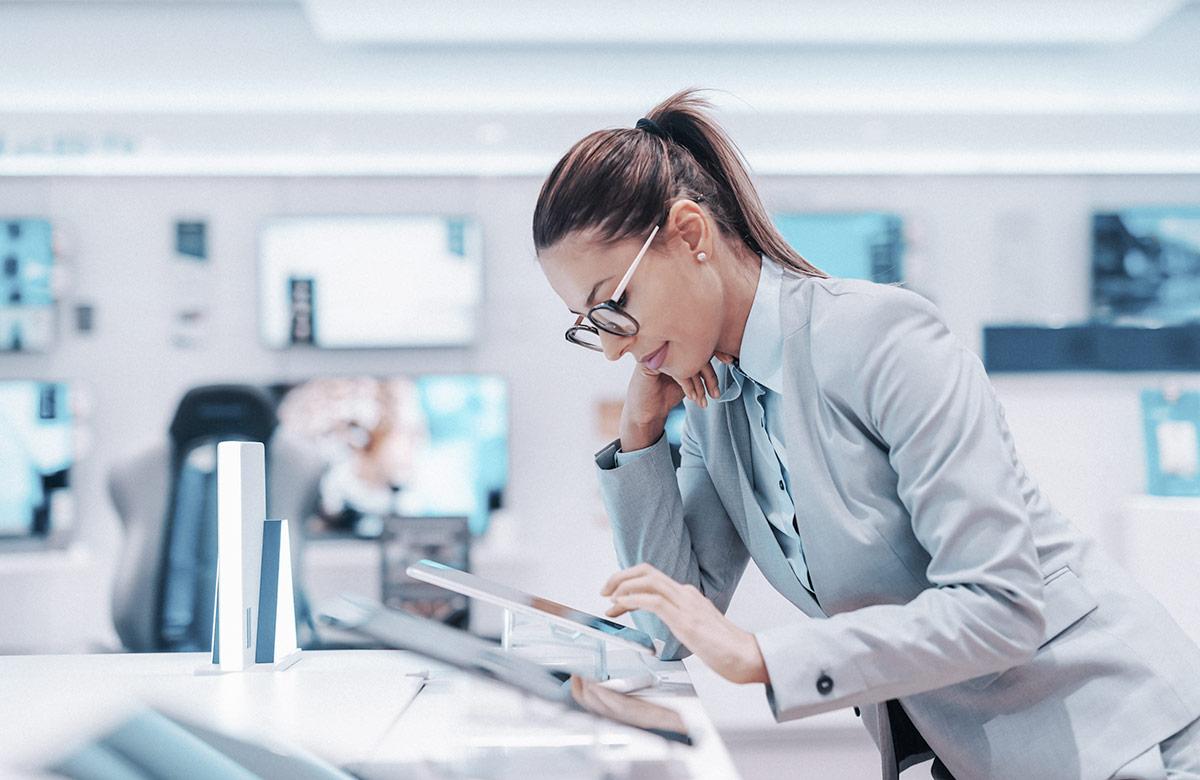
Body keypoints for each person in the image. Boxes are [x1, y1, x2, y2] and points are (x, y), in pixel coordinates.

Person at [533, 89, 1200, 780]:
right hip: (991, 754)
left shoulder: (882, 337)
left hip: (1125, 737)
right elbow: (668, 628)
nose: (612, 349)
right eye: (590, 326)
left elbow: (1001, 605)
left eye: (613, 307)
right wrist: (640, 430)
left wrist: (762, 657)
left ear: (691, 234)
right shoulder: (713, 409)